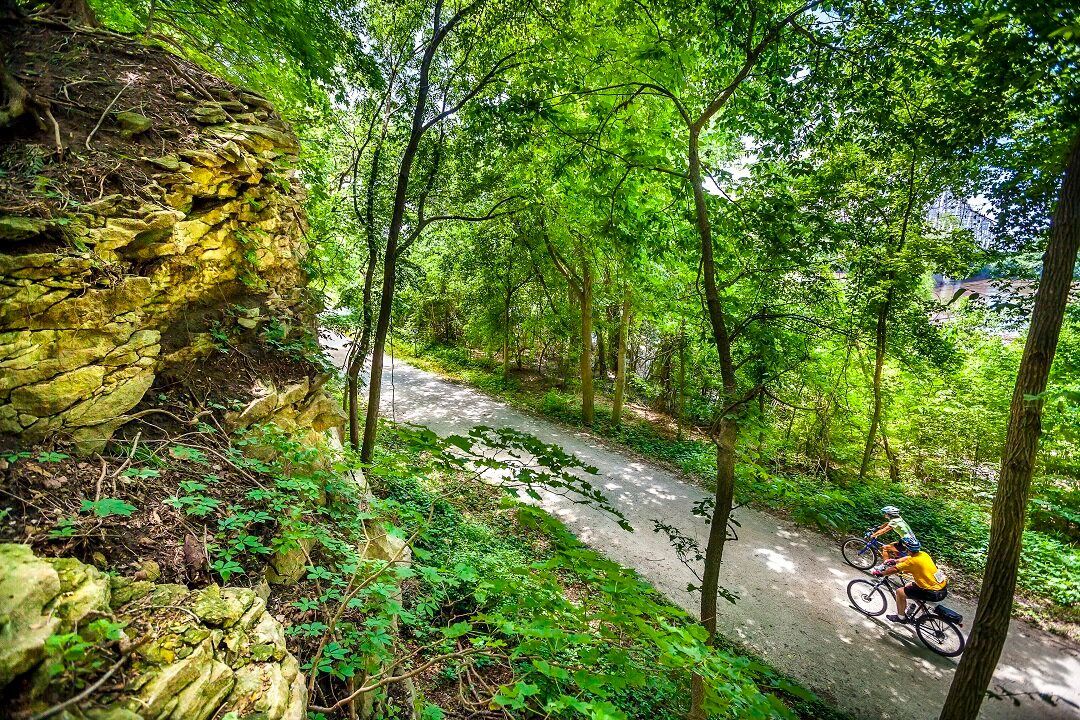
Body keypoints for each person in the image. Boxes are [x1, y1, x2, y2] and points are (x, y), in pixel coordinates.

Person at [871, 539, 948, 623]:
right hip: (941, 587)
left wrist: (882, 573)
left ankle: (900, 617)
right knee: (908, 585)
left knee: (900, 592)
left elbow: (895, 569)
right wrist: (896, 561)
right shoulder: (923, 554)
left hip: (933, 593)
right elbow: (909, 558)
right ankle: (924, 612)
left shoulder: (912, 562)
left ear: (908, 549)